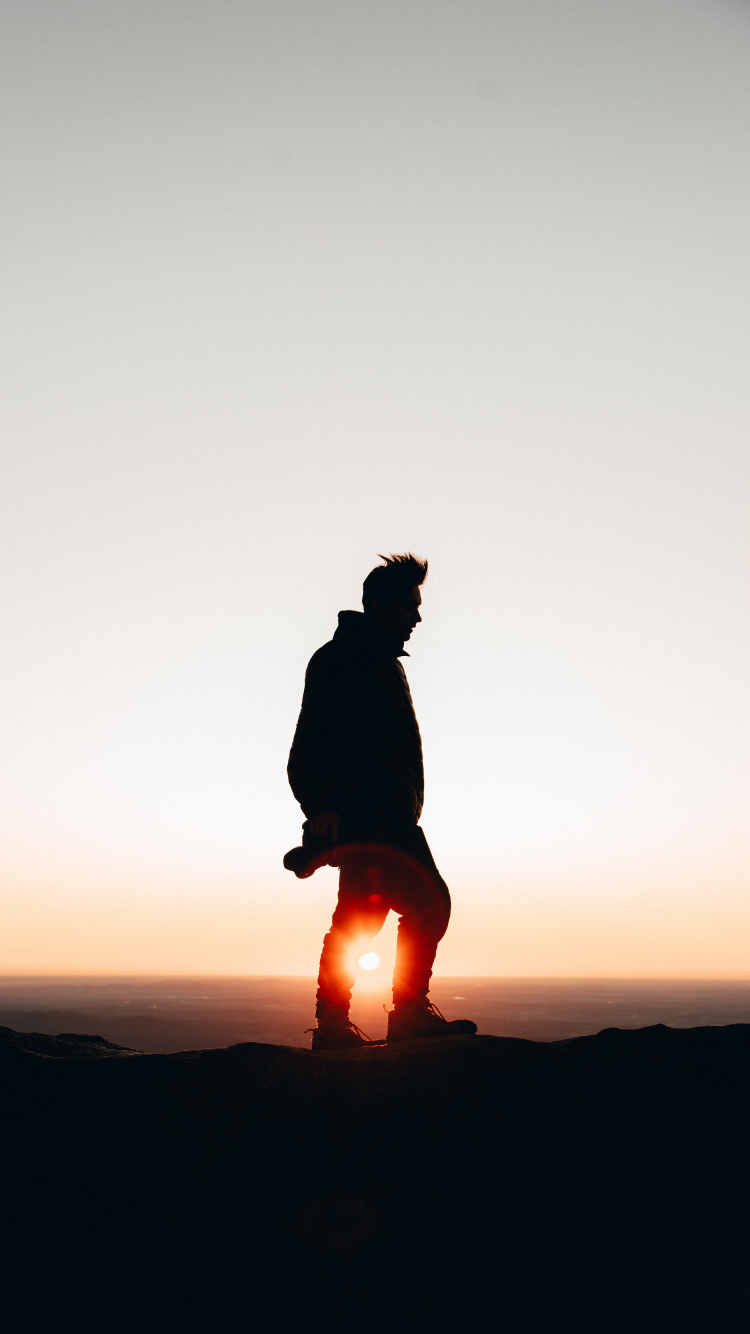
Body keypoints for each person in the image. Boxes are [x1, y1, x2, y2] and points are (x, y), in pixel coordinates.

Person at [286, 553, 477, 1051]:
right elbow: (310, 742)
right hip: (372, 816)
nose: (418, 617)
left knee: (359, 920)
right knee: (430, 905)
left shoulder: (376, 660)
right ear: (380, 606)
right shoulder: (342, 659)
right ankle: (405, 1014)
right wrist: (319, 807)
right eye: (409, 606)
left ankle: (334, 1026)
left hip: (383, 814)